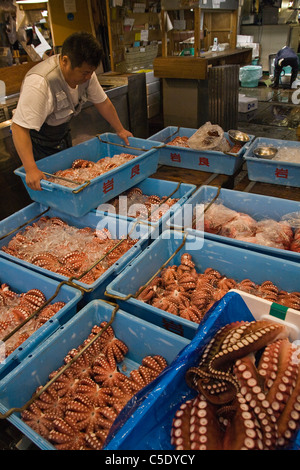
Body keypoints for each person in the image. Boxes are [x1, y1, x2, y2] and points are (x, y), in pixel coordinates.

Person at [11, 31, 133, 191]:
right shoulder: (40, 82)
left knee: (69, 183)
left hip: (61, 135)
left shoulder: (87, 75)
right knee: (50, 190)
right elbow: (19, 127)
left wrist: (120, 129)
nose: (89, 77)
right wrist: (31, 169)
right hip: (37, 144)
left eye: (91, 72)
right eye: (84, 73)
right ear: (65, 61)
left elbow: (102, 102)